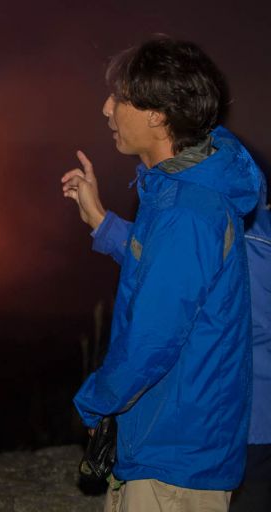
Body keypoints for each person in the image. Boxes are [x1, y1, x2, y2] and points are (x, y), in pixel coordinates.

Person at [61, 37, 262, 511]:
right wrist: (103, 223)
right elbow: (167, 277)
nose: (107, 108)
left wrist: (94, 402)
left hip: (174, 459)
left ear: (157, 115)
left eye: (122, 97)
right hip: (166, 447)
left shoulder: (188, 211)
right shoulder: (181, 190)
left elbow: (150, 341)